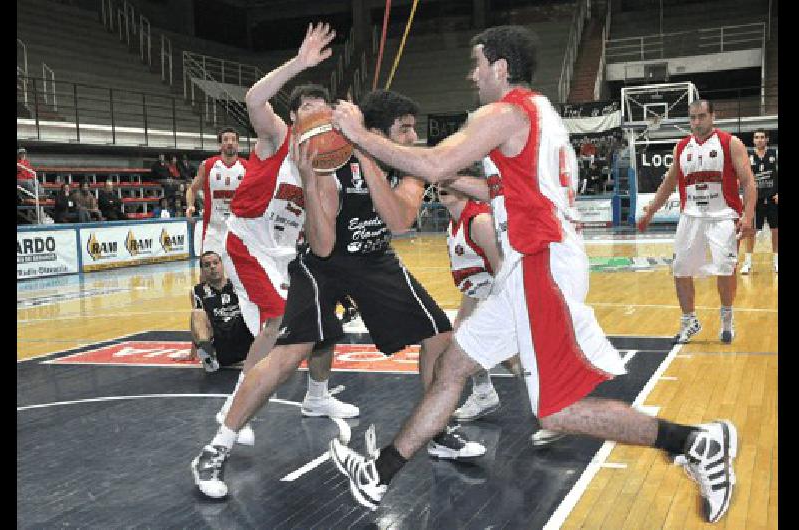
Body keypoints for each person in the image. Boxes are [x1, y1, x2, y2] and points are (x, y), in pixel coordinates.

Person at [329, 25, 739, 523]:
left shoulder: (502, 112)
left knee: (555, 412)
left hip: (540, 266)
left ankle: (696, 442)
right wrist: (453, 178)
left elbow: (435, 162)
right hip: (532, 266)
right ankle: (379, 476)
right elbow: (500, 188)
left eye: (477, 64)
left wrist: (360, 135)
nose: (471, 74)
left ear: (500, 67)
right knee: (454, 367)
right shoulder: (540, 113)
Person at [191, 49, 482, 498]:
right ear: (383, 129)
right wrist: (312, 180)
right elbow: (323, 245)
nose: (414, 134)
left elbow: (401, 220)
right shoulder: (328, 157)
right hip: (323, 265)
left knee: (440, 335)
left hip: (373, 259)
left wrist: (370, 156)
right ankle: (215, 448)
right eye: (404, 127)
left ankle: (437, 432)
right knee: (287, 354)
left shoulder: (410, 164)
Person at [190, 24, 360, 481]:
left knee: (324, 320)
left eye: (320, 110)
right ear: (295, 115)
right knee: (277, 319)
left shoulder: (327, 161)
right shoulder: (277, 136)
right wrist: (300, 64)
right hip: (246, 241)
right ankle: (232, 407)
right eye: (306, 107)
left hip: (286, 253)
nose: (314, 115)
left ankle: (317, 395)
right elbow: (252, 100)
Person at [440, 184, 564, 446]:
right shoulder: (454, 223)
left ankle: (553, 413)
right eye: (439, 184)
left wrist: (503, 312)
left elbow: (503, 270)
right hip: (479, 294)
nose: (442, 188)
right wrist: (467, 312)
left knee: (515, 360)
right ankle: (484, 393)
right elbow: (474, 275)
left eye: (448, 183)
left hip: (503, 294)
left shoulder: (480, 221)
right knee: (462, 339)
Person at [639, 99, 756, 344]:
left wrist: (748, 215)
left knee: (725, 269)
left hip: (723, 216)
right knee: (680, 269)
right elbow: (669, 183)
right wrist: (650, 211)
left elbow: (748, 181)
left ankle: (726, 318)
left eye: (702, 116)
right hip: (691, 217)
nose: (697, 122)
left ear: (713, 116)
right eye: (692, 117)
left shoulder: (730, 143)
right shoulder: (681, 147)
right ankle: (689, 321)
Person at [190, 251, 256, 372]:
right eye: (207, 265)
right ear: (202, 270)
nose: (212, 267)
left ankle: (262, 351)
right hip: (219, 344)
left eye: (216, 263)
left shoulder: (238, 285)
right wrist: (192, 353)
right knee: (196, 313)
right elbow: (196, 327)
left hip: (242, 336)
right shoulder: (197, 291)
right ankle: (208, 358)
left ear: (222, 264)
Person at [185, 128, 247, 256]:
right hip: (213, 231)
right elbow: (192, 189)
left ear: (238, 144)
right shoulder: (208, 165)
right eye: (226, 139)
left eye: (233, 140)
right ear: (220, 145)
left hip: (238, 231)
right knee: (209, 272)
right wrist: (190, 205)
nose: (230, 142)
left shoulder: (247, 167)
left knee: (237, 275)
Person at [740, 128, 777, 274]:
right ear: (753, 140)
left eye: (762, 137)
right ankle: (748, 263)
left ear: (767, 139)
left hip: (773, 198)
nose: (759, 139)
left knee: (776, 230)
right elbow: (743, 177)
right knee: (750, 231)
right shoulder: (747, 156)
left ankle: (776, 262)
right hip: (755, 200)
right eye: (757, 137)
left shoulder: (775, 154)